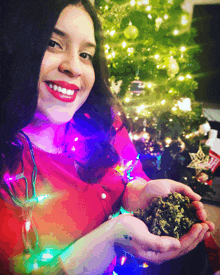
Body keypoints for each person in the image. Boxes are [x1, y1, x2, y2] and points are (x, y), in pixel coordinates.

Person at [1, 0, 215, 274]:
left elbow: (129, 175)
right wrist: (111, 238)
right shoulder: (10, 172)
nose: (74, 67)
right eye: (53, 43)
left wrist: (138, 192)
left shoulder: (102, 123)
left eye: (86, 55)